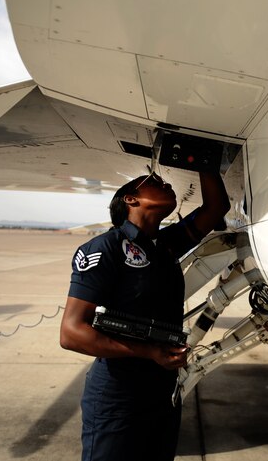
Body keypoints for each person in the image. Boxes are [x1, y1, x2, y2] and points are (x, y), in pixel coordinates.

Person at [60, 170, 230, 461]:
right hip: (119, 396)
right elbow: (71, 332)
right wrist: (149, 351)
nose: (165, 183)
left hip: (162, 392)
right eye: (153, 182)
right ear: (131, 199)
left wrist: (204, 161)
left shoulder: (164, 245)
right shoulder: (105, 249)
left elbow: (216, 209)